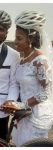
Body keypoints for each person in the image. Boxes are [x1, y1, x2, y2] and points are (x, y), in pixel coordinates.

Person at [2, 10, 53, 146]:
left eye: (19, 38)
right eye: (15, 37)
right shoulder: (22, 59)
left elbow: (45, 93)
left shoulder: (40, 61)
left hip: (37, 114)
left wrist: (22, 105)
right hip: (24, 113)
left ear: (30, 39)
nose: (15, 42)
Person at [0, 10, 20, 140]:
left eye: (1, 29)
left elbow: (14, 83)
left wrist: (10, 100)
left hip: (1, 110)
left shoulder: (14, 55)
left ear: (7, 32)